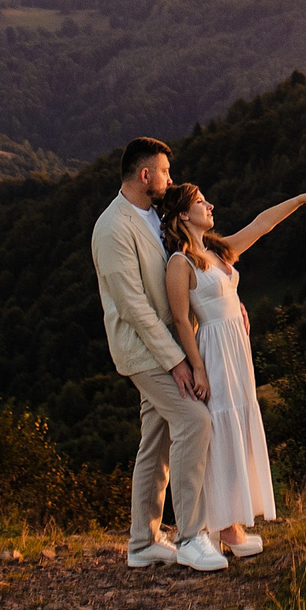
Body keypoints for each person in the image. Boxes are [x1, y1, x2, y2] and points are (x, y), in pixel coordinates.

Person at [156, 177, 306, 556]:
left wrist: (301, 198)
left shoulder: (219, 252)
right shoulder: (180, 262)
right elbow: (180, 320)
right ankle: (225, 528)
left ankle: (232, 526)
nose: (211, 207)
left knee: (237, 423)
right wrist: (198, 369)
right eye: (202, 202)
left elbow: (262, 224)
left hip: (237, 349)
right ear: (184, 214)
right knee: (220, 430)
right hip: (214, 352)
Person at [89, 137, 226, 572]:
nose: (170, 178)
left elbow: (190, 264)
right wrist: (177, 361)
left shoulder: (154, 217)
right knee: (193, 420)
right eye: (165, 171)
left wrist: (226, 295)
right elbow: (133, 307)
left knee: (157, 439)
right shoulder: (112, 228)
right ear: (145, 175)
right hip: (144, 352)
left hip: (165, 347)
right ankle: (190, 536)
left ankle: (143, 541)